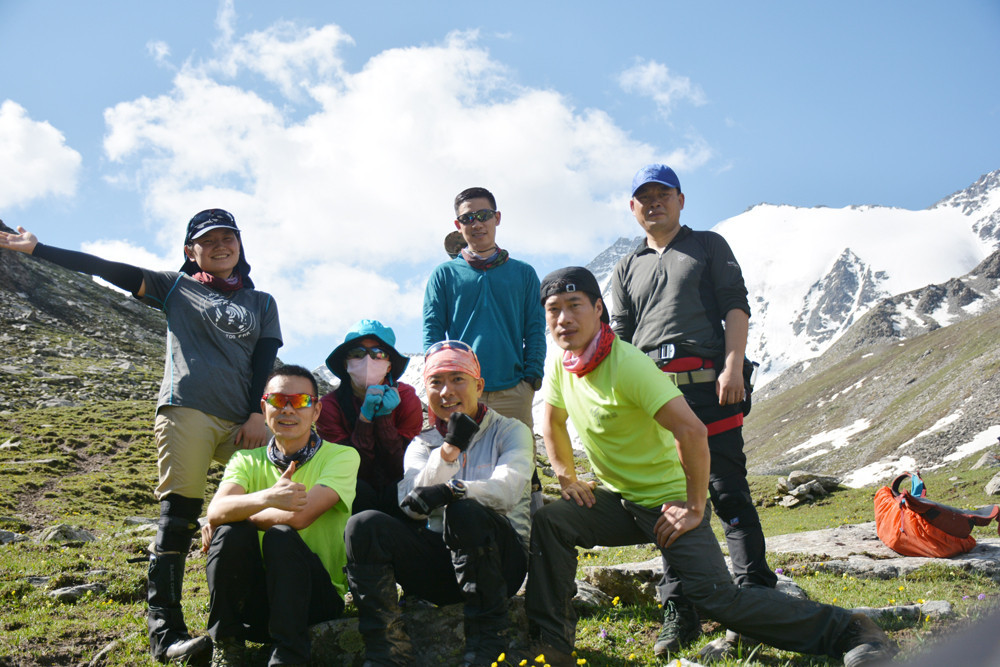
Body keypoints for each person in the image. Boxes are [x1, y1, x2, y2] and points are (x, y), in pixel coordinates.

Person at [522, 266, 897, 667]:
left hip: (668, 502)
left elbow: (693, 431)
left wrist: (694, 506)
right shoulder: (566, 363)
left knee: (717, 597)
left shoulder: (627, 365)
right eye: (554, 310)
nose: (564, 319)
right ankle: (552, 647)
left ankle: (852, 632)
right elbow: (552, 421)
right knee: (552, 522)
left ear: (599, 309)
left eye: (574, 306)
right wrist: (566, 476)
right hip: (620, 499)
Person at [0, 210, 281, 663]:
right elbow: (107, 268)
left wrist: (256, 414)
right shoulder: (175, 286)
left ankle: (261, 616)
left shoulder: (262, 302)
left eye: (229, 237)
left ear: (240, 246)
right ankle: (165, 634)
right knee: (179, 518)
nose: (221, 245)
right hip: (186, 409)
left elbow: (264, 362)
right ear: (192, 251)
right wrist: (39, 249)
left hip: (243, 422)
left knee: (271, 504)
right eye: (208, 240)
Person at [610, 163, 775, 654]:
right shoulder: (626, 267)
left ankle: (756, 601)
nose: (654, 202)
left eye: (664, 194)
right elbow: (619, 338)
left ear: (682, 200)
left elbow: (735, 307)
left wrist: (731, 368)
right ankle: (680, 610)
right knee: (671, 500)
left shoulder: (708, 245)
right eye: (645, 197)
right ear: (633, 207)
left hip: (710, 388)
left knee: (727, 493)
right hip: (654, 398)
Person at [344, 340, 533, 667]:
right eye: (436, 382)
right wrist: (448, 451)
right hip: (441, 568)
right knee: (364, 526)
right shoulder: (421, 444)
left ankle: (489, 643)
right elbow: (411, 504)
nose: (447, 391)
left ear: (478, 384)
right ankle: (386, 651)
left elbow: (508, 489)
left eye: (457, 378)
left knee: (464, 509)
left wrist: (453, 490)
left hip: (501, 565)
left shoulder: (511, 431)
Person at [201, 364, 359, 666]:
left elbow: (299, 518)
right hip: (256, 605)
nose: (288, 409)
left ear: (316, 411)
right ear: (264, 406)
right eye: (277, 400)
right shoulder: (245, 459)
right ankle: (228, 646)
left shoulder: (342, 456)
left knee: (280, 536)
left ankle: (289, 653)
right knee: (230, 534)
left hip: (314, 601)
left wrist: (236, 513)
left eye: (300, 401)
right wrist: (267, 498)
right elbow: (216, 510)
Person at [422, 186, 546, 431]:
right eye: (468, 218)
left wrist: (531, 378)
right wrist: (441, 380)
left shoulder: (524, 273)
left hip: (513, 391)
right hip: (462, 392)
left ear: (497, 218)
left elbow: (535, 328)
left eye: (484, 215)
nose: (476, 223)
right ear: (458, 225)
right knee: (462, 465)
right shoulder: (444, 275)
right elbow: (432, 331)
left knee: (518, 465)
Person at [316, 319, 422, 516]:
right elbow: (351, 469)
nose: (368, 361)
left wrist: (384, 418)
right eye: (357, 354)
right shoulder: (329, 407)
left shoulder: (407, 398)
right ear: (345, 363)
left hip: (398, 491)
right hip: (353, 495)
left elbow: (402, 467)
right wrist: (364, 420)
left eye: (378, 354)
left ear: (389, 365)